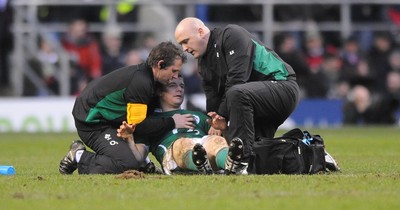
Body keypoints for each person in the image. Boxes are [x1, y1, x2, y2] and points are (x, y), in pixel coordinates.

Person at [174, 17, 300, 174]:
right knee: (260, 159)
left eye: (186, 41)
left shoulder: (231, 35)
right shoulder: (204, 65)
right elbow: (213, 103)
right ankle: (312, 155)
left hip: (282, 85)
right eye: (181, 44)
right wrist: (217, 123)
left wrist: (222, 115)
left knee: (236, 92)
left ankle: (240, 161)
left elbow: (238, 79)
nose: (184, 48)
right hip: (253, 100)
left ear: (200, 32)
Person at [59, 41, 195, 175]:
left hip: (109, 119)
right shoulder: (142, 83)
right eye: (174, 71)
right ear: (160, 64)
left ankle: (144, 163)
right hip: (92, 123)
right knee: (127, 164)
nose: (176, 77)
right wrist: (172, 122)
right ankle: (79, 156)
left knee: (139, 147)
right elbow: (140, 125)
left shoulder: (150, 80)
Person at [117, 75, 230, 175]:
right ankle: (200, 164)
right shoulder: (151, 122)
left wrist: (224, 130)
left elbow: (224, 140)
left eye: (181, 86)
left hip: (204, 150)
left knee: (215, 140)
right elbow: (139, 157)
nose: (179, 89)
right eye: (172, 85)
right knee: (182, 143)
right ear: (160, 91)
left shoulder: (198, 115)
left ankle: (232, 165)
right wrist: (129, 139)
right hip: (172, 155)